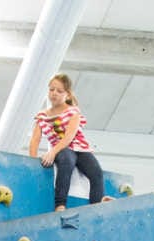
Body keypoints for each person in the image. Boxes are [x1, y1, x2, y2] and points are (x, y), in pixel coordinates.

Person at [28, 73, 104, 211]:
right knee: (67, 161)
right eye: (51, 90)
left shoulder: (73, 112)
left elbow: (69, 137)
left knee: (97, 173)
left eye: (59, 91)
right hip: (62, 149)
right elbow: (35, 140)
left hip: (78, 148)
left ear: (67, 94)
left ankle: (96, 208)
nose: (54, 93)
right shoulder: (42, 116)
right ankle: (60, 205)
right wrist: (32, 161)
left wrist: (52, 152)